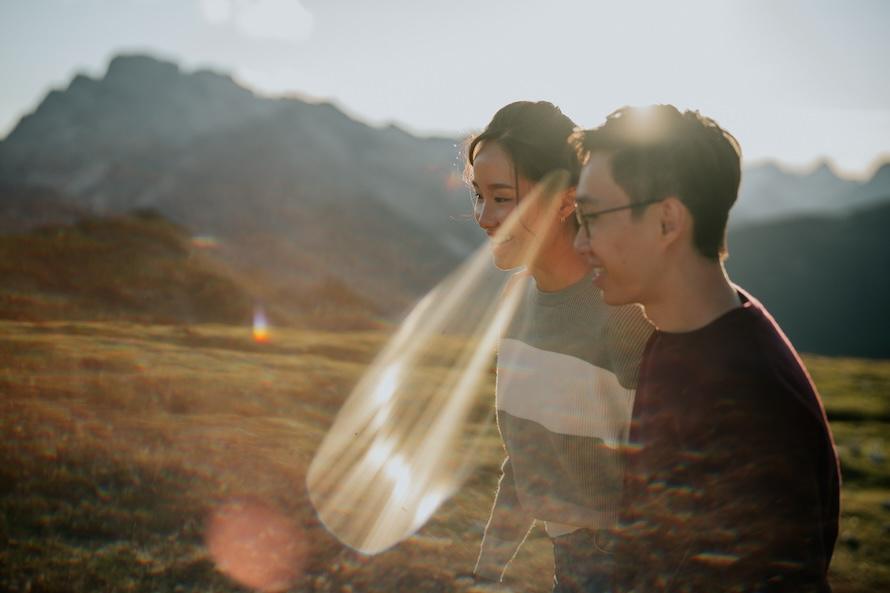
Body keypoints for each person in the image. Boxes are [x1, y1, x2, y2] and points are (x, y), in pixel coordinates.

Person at [571, 105, 841, 592]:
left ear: (667, 221)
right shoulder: (680, 334)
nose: (578, 242)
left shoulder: (751, 401)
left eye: (590, 217)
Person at [467, 101, 653, 592]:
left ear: (566, 201)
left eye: (503, 198)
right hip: (573, 558)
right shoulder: (516, 298)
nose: (484, 217)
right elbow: (529, 455)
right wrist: (487, 571)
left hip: (628, 563)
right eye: (478, 195)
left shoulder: (627, 315)